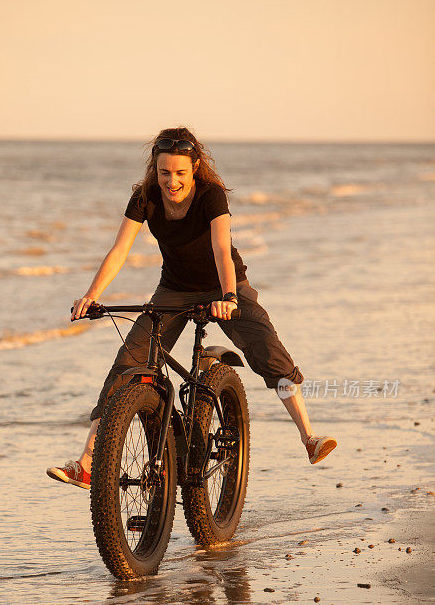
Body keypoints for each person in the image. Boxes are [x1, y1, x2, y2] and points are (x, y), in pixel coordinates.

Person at [47, 127, 337, 489]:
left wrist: (230, 297)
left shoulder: (211, 196)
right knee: (127, 363)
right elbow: (119, 250)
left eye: (180, 173)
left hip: (224, 285)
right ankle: (87, 463)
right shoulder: (145, 197)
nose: (172, 181)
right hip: (174, 290)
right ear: (155, 169)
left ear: (195, 168)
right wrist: (91, 294)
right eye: (165, 172)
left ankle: (308, 437)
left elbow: (221, 248)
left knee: (267, 350)